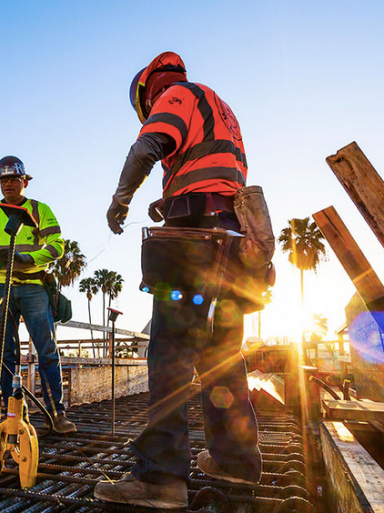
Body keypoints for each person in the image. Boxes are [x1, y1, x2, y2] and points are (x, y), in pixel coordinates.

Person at [94, 52, 263, 509]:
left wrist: (121, 200)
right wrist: (167, 201)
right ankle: (234, 459)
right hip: (233, 239)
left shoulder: (176, 95)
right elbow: (213, 173)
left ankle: (161, 477)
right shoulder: (218, 105)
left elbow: (146, 148)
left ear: (147, 92)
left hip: (195, 243)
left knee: (169, 352)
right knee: (222, 355)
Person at [0, 155, 76, 434]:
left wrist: (30, 259)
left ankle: (56, 415)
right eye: (3, 180)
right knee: (5, 354)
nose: (8, 185)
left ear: (24, 181)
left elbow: (57, 246)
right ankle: (12, 415)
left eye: (13, 179)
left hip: (34, 288)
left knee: (47, 351)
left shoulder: (41, 210)